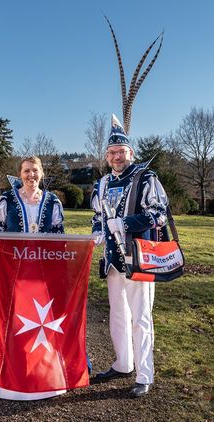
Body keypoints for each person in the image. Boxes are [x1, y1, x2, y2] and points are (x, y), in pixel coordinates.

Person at [0, 156, 66, 400]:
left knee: (40, 319)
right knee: (2, 318)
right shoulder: (7, 198)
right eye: (26, 171)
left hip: (41, 272)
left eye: (35, 170)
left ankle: (41, 371)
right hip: (10, 270)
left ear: (42, 173)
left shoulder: (52, 201)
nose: (31, 175)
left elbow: (59, 234)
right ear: (20, 174)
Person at [91, 114, 168, 398]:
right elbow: (98, 215)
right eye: (112, 153)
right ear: (107, 155)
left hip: (139, 259)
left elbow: (158, 214)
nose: (116, 157)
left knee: (141, 317)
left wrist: (126, 223)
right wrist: (98, 231)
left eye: (121, 152)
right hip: (112, 260)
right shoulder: (101, 184)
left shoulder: (146, 177)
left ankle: (144, 374)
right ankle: (123, 364)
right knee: (119, 316)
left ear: (130, 152)